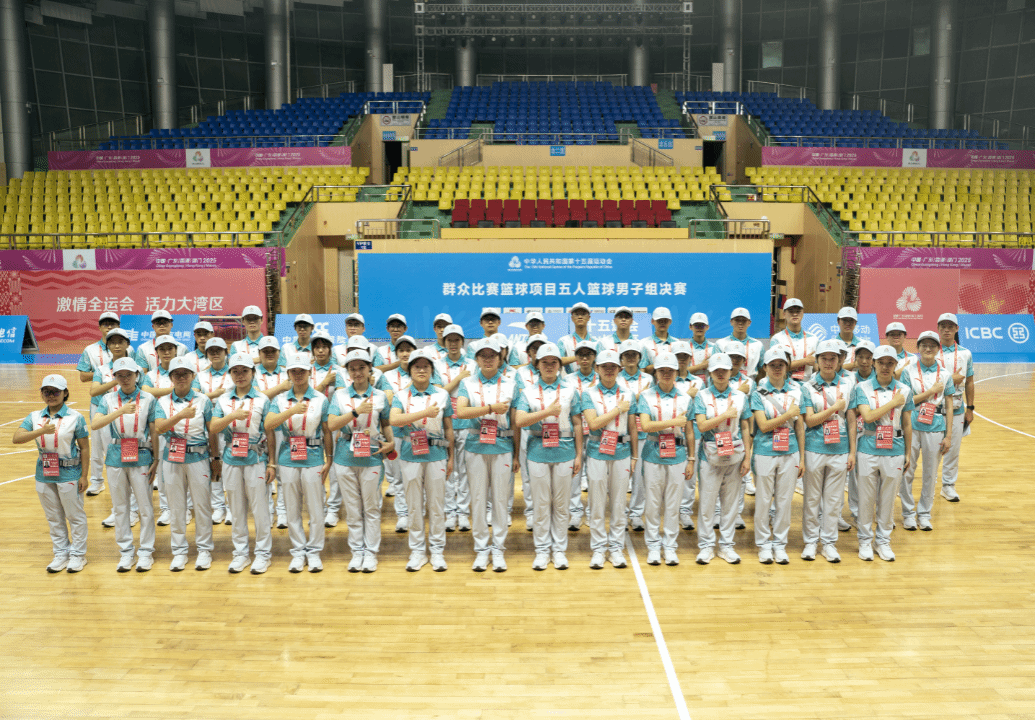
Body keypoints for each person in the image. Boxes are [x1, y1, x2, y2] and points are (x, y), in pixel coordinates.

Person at [515, 342, 583, 571]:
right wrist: (547, 412)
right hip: (537, 451)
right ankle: (542, 550)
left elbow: (577, 423)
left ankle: (560, 550)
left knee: (562, 504)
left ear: (560, 365)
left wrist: (579, 455)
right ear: (537, 364)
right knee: (541, 504)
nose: (550, 365)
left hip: (565, 451)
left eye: (554, 362)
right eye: (545, 362)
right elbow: (519, 420)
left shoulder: (570, 390)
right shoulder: (528, 391)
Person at [13, 374, 91, 573]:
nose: (51, 395)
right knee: (54, 517)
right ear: (41, 394)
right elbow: (17, 438)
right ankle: (61, 553)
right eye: (47, 391)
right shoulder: (34, 417)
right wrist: (41, 431)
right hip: (45, 473)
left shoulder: (75, 417)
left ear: (65, 393)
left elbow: (84, 447)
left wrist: (84, 476)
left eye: (56, 392)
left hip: (70, 473)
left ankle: (78, 555)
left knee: (75, 516)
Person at [328, 350, 396, 573]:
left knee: (371, 507)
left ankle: (371, 553)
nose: (357, 372)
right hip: (345, 457)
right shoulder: (340, 396)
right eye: (352, 369)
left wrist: (391, 442)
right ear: (348, 372)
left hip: (372, 456)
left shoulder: (380, 396)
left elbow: (386, 423)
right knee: (353, 508)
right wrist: (355, 412)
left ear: (370, 370)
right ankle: (357, 552)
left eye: (361, 368)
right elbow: (332, 424)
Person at [455, 338, 520, 572]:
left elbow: (516, 422)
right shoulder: (468, 382)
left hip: (503, 445)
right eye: (483, 355)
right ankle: (482, 549)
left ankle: (499, 549)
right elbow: (461, 412)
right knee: (479, 499)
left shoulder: (511, 383)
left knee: (500, 501)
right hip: (476, 445)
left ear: (500, 358)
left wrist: (516, 455)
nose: (488, 359)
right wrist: (490, 408)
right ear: (476, 359)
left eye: (492, 355)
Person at [390, 348, 455, 572]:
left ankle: (437, 551)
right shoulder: (400, 395)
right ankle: (417, 551)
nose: (421, 370)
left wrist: (451, 457)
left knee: (437, 504)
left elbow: (448, 428)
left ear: (432, 370)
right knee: (414, 505)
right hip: (410, 454)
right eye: (416, 366)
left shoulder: (442, 394)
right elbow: (394, 420)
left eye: (425, 366)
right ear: (410, 370)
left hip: (437, 453)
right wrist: (424, 413)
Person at [91, 357, 158, 572]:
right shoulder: (108, 399)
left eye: (129, 374)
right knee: (120, 508)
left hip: (142, 455)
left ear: (137, 375)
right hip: (115, 456)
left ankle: (146, 551)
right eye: (120, 375)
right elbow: (95, 423)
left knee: (145, 507)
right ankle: (126, 552)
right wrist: (120, 411)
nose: (125, 378)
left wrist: (157, 459)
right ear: (115, 377)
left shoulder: (148, 398)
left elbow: (154, 429)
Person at [265, 358, 332, 573]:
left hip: (314, 457)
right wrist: (292, 411)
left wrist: (329, 459)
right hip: (288, 457)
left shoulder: (321, 399)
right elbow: (268, 424)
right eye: (293, 371)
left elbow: (327, 431)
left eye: (301, 370)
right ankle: (297, 551)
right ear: (288, 374)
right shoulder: (280, 399)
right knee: (291, 508)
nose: (298, 374)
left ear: (310, 372)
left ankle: (314, 551)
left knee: (316, 508)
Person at [210, 353, 274, 574]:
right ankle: (240, 554)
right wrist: (233, 416)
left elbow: (270, 432)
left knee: (260, 509)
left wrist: (272, 463)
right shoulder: (223, 400)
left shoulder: (263, 399)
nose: (240, 375)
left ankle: (263, 554)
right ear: (229, 374)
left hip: (256, 458)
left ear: (253, 373)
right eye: (235, 371)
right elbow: (213, 427)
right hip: (231, 458)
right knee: (236, 510)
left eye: (245, 371)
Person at [153, 357, 218, 571]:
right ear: (170, 377)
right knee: (176, 506)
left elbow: (212, 431)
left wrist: (215, 458)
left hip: (199, 458)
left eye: (185, 373)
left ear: (193, 376)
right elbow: (160, 428)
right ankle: (179, 551)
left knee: (202, 505)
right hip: (172, 458)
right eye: (177, 374)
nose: (181, 377)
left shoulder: (203, 400)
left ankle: (204, 550)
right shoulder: (162, 402)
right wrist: (181, 415)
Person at [851, 345, 914, 562]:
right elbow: (867, 417)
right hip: (868, 448)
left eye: (890, 363)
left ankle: (883, 541)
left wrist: (908, 452)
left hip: (895, 448)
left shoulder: (905, 390)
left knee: (888, 498)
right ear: (874, 363)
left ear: (896, 365)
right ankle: (864, 541)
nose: (885, 367)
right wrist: (893, 403)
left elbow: (907, 423)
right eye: (881, 362)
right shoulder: (862, 387)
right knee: (866, 498)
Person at [801, 339, 858, 563]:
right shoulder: (807, 387)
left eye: (832, 358)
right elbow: (809, 420)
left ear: (839, 360)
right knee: (812, 499)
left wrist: (852, 452)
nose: (828, 362)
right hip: (814, 448)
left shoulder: (848, 384)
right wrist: (834, 408)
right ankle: (810, 542)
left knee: (834, 501)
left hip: (840, 449)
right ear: (817, 360)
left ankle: (829, 543)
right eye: (823, 358)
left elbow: (851, 420)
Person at [636, 352, 695, 566]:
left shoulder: (686, 398)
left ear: (677, 372)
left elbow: (689, 431)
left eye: (670, 370)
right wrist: (673, 422)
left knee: (673, 504)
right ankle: (653, 546)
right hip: (653, 454)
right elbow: (646, 426)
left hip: (678, 455)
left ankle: (670, 546)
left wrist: (691, 459)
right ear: (656, 373)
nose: (666, 374)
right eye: (662, 370)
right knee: (652, 503)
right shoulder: (646, 396)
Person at [750, 347, 808, 565]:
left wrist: (802, 458)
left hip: (790, 452)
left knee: (784, 501)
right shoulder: (757, 393)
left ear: (787, 367)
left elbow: (799, 427)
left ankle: (780, 544)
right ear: (765, 367)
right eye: (772, 365)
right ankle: (763, 544)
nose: (777, 368)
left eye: (781, 365)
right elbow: (763, 426)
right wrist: (788, 414)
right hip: (764, 452)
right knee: (763, 501)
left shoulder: (797, 391)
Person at [580, 349, 637, 569]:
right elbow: (593, 423)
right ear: (597, 368)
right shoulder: (588, 393)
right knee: (596, 503)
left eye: (613, 366)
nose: (609, 370)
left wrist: (635, 455)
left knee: (619, 503)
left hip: (622, 451)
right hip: (597, 451)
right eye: (605, 366)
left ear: (620, 369)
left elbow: (632, 427)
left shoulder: (629, 394)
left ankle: (615, 548)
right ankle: (598, 548)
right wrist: (617, 409)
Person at [693, 354, 752, 565]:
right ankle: (706, 546)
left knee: (731, 504)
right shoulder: (701, 396)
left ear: (730, 372)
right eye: (716, 370)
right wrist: (725, 415)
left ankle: (727, 546)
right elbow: (701, 426)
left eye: (724, 370)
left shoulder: (740, 396)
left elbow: (745, 426)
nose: (720, 373)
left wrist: (747, 457)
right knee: (707, 503)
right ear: (709, 372)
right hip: (709, 455)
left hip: (735, 454)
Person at [900, 331, 954, 532]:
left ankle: (924, 514)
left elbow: (949, 405)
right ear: (918, 348)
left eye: (932, 345)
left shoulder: (945, 374)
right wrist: (930, 392)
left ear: (938, 348)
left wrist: (949, 435)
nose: (928, 348)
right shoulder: (908, 371)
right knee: (907, 470)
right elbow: (906, 401)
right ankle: (907, 513)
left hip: (936, 426)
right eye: (924, 345)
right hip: (912, 425)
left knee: (931, 473)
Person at [90, 328, 140, 529]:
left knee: (134, 466)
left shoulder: (138, 369)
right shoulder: (102, 369)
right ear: (107, 346)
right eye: (112, 342)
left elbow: (144, 392)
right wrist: (117, 378)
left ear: (128, 344)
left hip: (133, 420)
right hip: (109, 418)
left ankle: (134, 510)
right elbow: (94, 391)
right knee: (114, 465)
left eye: (121, 341)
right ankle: (119, 510)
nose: (117, 345)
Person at [434, 324, 475, 533]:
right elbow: (438, 393)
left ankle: (464, 513)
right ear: (444, 342)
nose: (453, 343)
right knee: (447, 469)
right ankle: (450, 512)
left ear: (462, 341)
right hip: (445, 423)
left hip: (467, 423)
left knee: (465, 470)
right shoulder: (436, 365)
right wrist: (458, 378)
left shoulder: (473, 364)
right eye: (449, 340)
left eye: (456, 339)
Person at [77, 310, 121, 496]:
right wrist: (101, 374)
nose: (109, 327)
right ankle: (97, 481)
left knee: (119, 441)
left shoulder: (127, 348)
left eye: (112, 323)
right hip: (98, 402)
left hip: (121, 402)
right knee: (96, 444)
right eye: (105, 324)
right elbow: (82, 375)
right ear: (99, 327)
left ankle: (120, 480)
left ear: (118, 326)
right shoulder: (91, 350)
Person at [378, 334, 418, 533]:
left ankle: (417, 511)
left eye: (408, 350)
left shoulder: (423, 371)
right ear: (396, 353)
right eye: (401, 350)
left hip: (417, 432)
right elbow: (387, 400)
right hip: (395, 432)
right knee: (398, 477)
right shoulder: (387, 376)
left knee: (416, 475)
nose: (405, 353)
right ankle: (402, 514)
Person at [141, 335, 180, 528]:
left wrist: (161, 392)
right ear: (156, 353)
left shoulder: (183, 370)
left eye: (170, 348)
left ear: (176, 350)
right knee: (163, 470)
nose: (166, 352)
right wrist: (175, 390)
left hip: (182, 426)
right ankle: (166, 508)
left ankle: (184, 508)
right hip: (159, 426)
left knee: (183, 469)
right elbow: (147, 391)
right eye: (162, 349)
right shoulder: (150, 375)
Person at [194, 337, 234, 525]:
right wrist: (213, 395)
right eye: (211, 350)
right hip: (206, 425)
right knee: (213, 463)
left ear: (226, 352)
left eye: (219, 350)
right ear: (207, 354)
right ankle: (218, 506)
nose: (215, 353)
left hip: (229, 424)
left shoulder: (235, 372)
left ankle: (232, 507)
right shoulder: (200, 375)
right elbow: (194, 398)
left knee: (231, 465)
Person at [935, 313, 974, 503]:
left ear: (957, 329)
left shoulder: (966, 354)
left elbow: (970, 382)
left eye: (950, 326)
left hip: (958, 409)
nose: (947, 330)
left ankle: (948, 485)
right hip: (934, 410)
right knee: (932, 450)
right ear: (938, 328)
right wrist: (951, 379)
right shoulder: (931, 352)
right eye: (943, 326)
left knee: (953, 450)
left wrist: (970, 408)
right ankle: (929, 482)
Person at [309, 329, 345, 528]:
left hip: (333, 424)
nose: (321, 350)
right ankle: (319, 508)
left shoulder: (339, 371)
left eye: (324, 347)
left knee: (334, 467)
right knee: (315, 466)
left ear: (331, 349)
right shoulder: (306, 370)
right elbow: (304, 397)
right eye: (317, 347)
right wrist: (323, 383)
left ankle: (333, 509)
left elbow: (342, 397)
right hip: (311, 424)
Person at [617, 339, 653, 531]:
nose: (630, 358)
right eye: (626, 355)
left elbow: (652, 403)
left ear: (639, 358)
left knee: (640, 477)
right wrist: (638, 396)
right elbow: (618, 405)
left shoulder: (649, 379)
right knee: (621, 477)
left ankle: (636, 514)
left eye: (634, 354)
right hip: (621, 433)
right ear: (621, 359)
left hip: (642, 433)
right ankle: (620, 514)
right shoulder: (615, 378)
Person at [514, 333, 548, 530]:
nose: (537, 352)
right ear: (528, 352)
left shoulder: (555, 370)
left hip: (550, 429)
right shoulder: (521, 373)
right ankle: (531, 512)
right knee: (528, 475)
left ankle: (546, 512)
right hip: (528, 429)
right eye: (534, 348)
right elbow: (522, 400)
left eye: (540, 347)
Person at [670, 340, 704, 532]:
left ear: (690, 358)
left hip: (693, 432)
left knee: (689, 475)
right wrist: (687, 395)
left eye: (685, 356)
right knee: (671, 474)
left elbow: (699, 407)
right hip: (669, 433)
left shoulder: (699, 382)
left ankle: (685, 511)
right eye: (678, 356)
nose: (681, 360)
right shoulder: (666, 378)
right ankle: (671, 511)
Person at [566, 340, 599, 530]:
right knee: (575, 473)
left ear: (594, 357)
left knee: (595, 475)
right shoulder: (567, 380)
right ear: (576, 358)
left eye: (589, 354)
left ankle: (593, 513)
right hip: (575, 431)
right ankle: (575, 513)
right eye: (581, 355)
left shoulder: (602, 377)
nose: (585, 358)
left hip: (597, 432)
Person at [769, 298, 818, 382]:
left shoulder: (814, 338)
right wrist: (804, 361)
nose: (795, 314)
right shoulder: (777, 339)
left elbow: (817, 366)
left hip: (808, 383)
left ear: (803, 313)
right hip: (785, 384)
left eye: (798, 311)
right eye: (791, 311)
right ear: (784, 314)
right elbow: (776, 367)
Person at [719, 308, 764, 379]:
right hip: (727, 382)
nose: (740, 323)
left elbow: (762, 370)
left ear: (749, 323)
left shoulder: (758, 345)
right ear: (731, 322)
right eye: (737, 320)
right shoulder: (721, 343)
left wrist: (755, 384)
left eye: (744, 320)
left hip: (751, 381)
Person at [558, 302, 601, 374]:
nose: (580, 317)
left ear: (589, 317)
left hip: (592, 379)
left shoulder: (597, 342)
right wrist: (579, 356)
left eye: (583, 314)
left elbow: (601, 363)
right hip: (571, 379)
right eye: (577, 314)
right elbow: (558, 361)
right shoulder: (564, 341)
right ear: (572, 318)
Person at [640, 307, 678, 373]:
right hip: (651, 379)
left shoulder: (677, 343)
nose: (662, 323)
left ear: (670, 322)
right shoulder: (644, 343)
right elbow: (642, 369)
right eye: (659, 320)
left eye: (665, 320)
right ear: (652, 321)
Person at [686, 313, 720, 380]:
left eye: (702, 325)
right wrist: (700, 366)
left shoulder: (714, 347)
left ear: (707, 327)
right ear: (690, 327)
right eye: (696, 325)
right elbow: (679, 372)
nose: (699, 328)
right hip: (688, 385)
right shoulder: (685, 347)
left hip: (709, 385)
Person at [835, 307, 862, 371]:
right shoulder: (831, 344)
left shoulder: (862, 344)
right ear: (838, 321)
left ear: (855, 323)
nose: (848, 324)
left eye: (851, 320)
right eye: (844, 320)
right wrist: (853, 365)